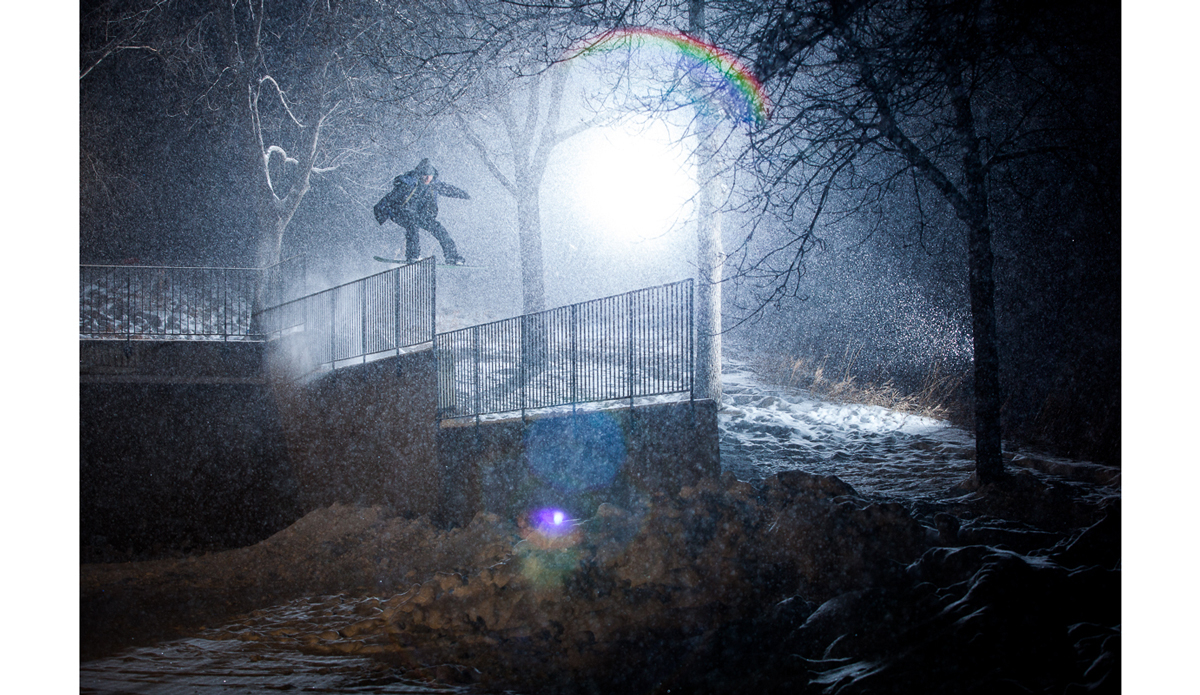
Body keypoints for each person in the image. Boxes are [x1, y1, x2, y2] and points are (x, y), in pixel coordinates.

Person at [373, 158, 471, 265]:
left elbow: (448, 189)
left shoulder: (433, 185)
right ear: (420, 174)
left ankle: (452, 257)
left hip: (420, 215)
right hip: (400, 212)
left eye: (430, 175)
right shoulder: (408, 184)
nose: (427, 178)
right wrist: (380, 211)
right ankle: (413, 255)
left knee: (439, 229)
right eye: (425, 175)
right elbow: (389, 198)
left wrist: (464, 194)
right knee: (412, 225)